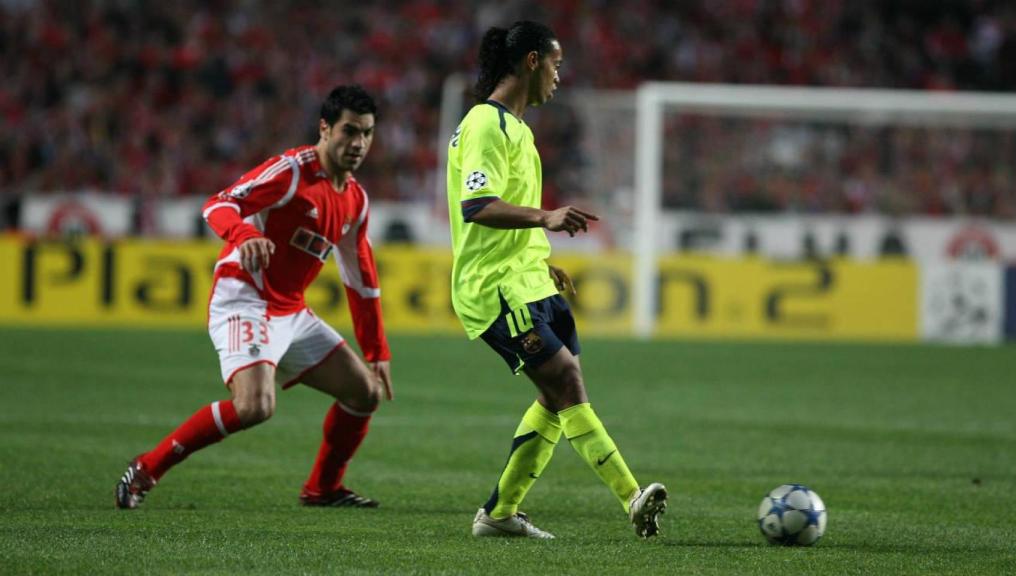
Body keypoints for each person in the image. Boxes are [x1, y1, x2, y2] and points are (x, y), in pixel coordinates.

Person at [115, 85, 393, 510]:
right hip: (244, 298)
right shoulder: (291, 172)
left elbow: (362, 279)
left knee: (365, 393)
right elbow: (219, 204)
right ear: (324, 128)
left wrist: (376, 349)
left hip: (291, 310)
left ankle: (322, 489)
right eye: (349, 131)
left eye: (367, 134)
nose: (358, 144)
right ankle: (147, 467)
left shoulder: (355, 199)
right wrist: (244, 232)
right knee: (255, 406)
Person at [446, 21, 667, 539]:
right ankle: (632, 498)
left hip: (529, 281)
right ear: (530, 61)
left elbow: (501, 210)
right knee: (566, 380)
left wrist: (538, 256)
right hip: (495, 289)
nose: (558, 77)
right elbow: (477, 207)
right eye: (556, 64)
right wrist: (545, 218)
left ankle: (499, 515)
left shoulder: (518, 130)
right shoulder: (485, 124)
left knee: (553, 395)